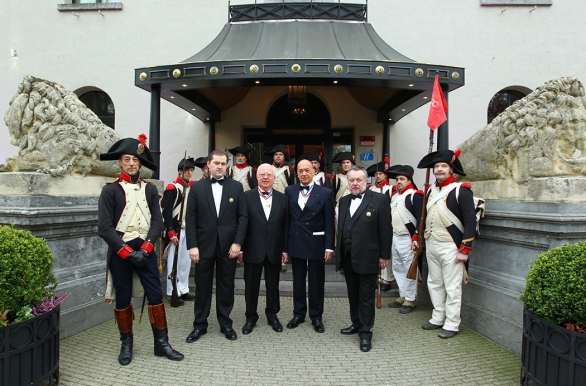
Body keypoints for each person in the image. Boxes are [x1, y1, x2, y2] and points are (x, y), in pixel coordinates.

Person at [97, 134, 183, 365]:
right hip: (121, 251)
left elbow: (157, 221)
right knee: (123, 298)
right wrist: (126, 252)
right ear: (120, 162)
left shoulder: (151, 190)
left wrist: (145, 249)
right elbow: (104, 228)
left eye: (136, 160)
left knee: (155, 295)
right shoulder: (110, 191)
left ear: (140, 163)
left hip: (145, 250)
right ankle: (126, 345)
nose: (132, 164)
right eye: (127, 159)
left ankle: (161, 345)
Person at [184, 149, 248, 342]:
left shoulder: (236, 187)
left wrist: (238, 243)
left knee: (226, 286)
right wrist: (192, 246)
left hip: (228, 247)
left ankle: (225, 324)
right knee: (202, 286)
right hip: (203, 247)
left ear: (227, 166)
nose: (220, 166)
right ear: (209, 165)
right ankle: (199, 325)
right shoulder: (196, 188)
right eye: (216, 163)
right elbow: (191, 218)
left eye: (223, 163)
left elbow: (242, 217)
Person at [413, 149, 476, 339]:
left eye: (443, 166)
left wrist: (464, 249)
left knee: (452, 286)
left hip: (451, 245)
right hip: (431, 243)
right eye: (436, 166)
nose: (439, 169)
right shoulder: (430, 190)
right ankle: (438, 317)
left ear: (451, 169)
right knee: (434, 283)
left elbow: (470, 221)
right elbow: (422, 217)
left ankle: (452, 322)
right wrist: (417, 236)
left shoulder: (461, 190)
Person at [335, 165, 392, 352]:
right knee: (353, 294)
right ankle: (356, 323)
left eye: (359, 180)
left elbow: (385, 230)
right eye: (351, 180)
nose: (355, 183)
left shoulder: (380, 200)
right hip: (348, 257)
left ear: (366, 181)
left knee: (366, 296)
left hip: (369, 257)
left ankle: (366, 333)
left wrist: (384, 255)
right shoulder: (343, 201)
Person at [285, 159, 335, 333]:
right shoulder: (289, 190)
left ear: (314, 171)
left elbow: (330, 222)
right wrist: (285, 247)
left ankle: (316, 316)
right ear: (296, 173)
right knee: (297, 281)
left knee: (316, 282)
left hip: (316, 243)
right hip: (296, 241)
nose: (304, 174)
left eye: (307, 170)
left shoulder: (326, 192)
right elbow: (287, 221)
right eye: (300, 171)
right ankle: (298, 314)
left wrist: (329, 247)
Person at [239, 163, 289, 334]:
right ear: (257, 177)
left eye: (269, 174)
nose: (266, 177)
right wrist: (240, 249)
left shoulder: (283, 198)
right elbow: (241, 224)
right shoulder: (246, 197)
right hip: (252, 249)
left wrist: (285, 250)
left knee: (273, 286)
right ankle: (250, 317)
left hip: (274, 249)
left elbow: (286, 226)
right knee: (251, 286)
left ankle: (272, 316)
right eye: (262, 174)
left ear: (274, 178)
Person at [385, 165, 423, 314]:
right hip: (395, 236)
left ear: (409, 180)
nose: (399, 182)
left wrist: (416, 236)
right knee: (398, 268)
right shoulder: (394, 196)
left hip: (408, 238)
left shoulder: (415, 195)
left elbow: (421, 218)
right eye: (397, 179)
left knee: (409, 268)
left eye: (402, 179)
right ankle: (403, 294)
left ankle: (410, 299)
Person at [162, 157, 196, 306]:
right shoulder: (172, 188)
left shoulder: (190, 188)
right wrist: (170, 231)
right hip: (175, 230)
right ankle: (172, 291)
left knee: (185, 263)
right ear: (179, 171)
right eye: (186, 170)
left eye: (191, 170)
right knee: (173, 264)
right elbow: (167, 211)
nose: (189, 173)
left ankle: (183, 289)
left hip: (187, 229)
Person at [264, 144, 295, 272]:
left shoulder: (289, 170)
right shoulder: (267, 169)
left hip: (282, 202)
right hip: (267, 200)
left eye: (280, 154)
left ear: (284, 157)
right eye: (276, 154)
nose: (278, 156)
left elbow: (292, 187)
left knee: (282, 229)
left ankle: (282, 258)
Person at [366, 157, 395, 291]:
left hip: (384, 222)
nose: (378, 176)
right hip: (371, 224)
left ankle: (386, 279)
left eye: (380, 174)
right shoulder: (370, 189)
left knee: (385, 251)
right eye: (376, 174)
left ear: (386, 175)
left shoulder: (391, 189)